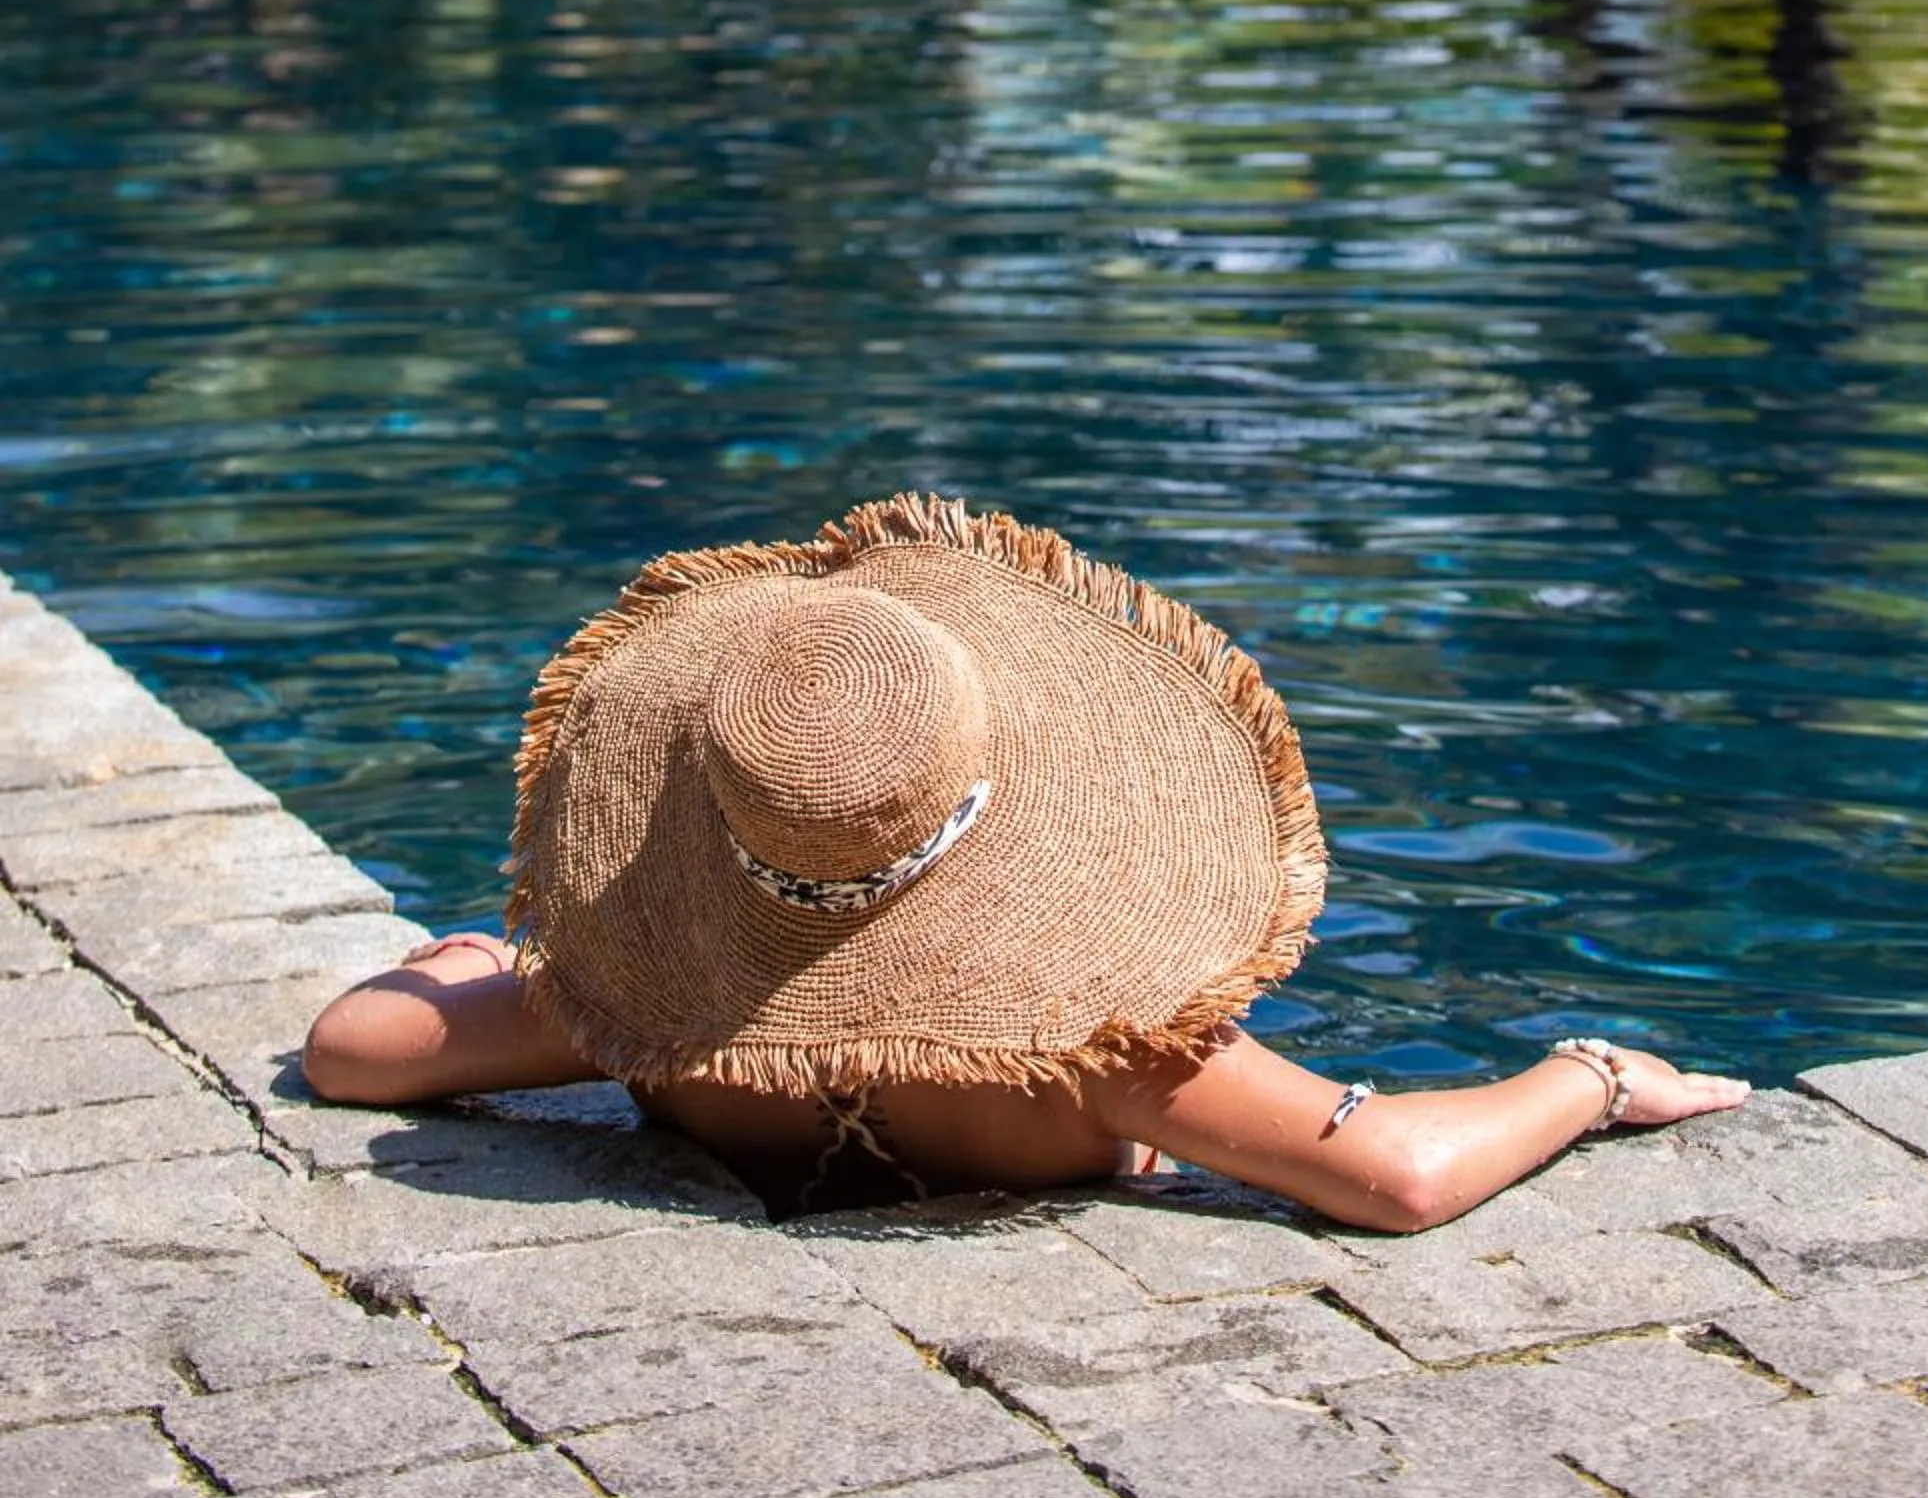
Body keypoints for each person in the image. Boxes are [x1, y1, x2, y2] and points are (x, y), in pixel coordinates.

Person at [305, 494, 1748, 1226]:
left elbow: (354, 1052)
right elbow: (1399, 1176)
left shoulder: (642, 1003)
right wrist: (1592, 1077)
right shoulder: (1095, 1045)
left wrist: (478, 960)